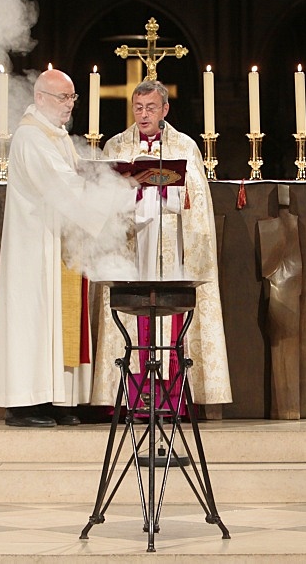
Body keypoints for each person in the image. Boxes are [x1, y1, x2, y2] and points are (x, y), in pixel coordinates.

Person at [0, 68, 134, 427]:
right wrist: (119, 192)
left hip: (58, 243)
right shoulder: (30, 137)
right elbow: (62, 186)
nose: (69, 105)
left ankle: (54, 399)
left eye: (72, 98)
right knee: (34, 320)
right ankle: (23, 404)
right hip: (34, 248)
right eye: (62, 98)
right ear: (40, 98)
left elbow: (74, 177)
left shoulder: (55, 135)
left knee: (56, 320)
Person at [92, 79, 232, 413]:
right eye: (138, 108)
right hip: (130, 246)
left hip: (170, 247)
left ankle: (171, 399)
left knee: (169, 320)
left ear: (165, 110)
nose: (143, 114)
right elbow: (100, 201)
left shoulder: (184, 147)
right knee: (132, 318)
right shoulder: (116, 146)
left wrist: (165, 190)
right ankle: (129, 401)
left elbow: (196, 203)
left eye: (151, 108)